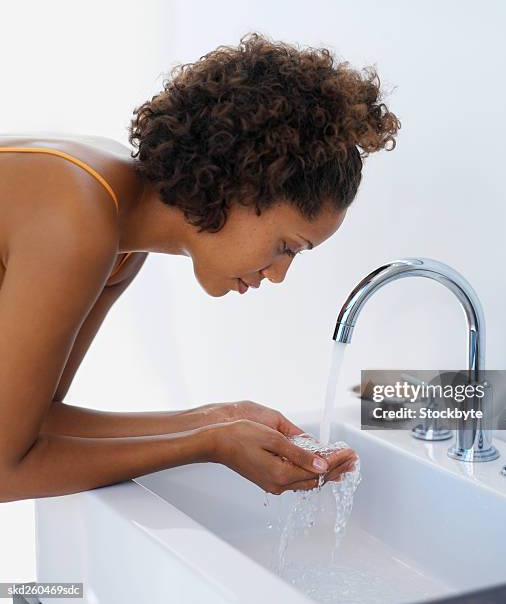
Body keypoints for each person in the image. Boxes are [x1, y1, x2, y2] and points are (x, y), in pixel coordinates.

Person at [0, 33, 400, 503]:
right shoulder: (79, 218)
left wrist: (217, 419)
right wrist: (209, 444)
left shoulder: (120, 237)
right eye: (287, 246)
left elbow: (36, 420)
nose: (278, 274)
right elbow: (6, 470)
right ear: (245, 184)